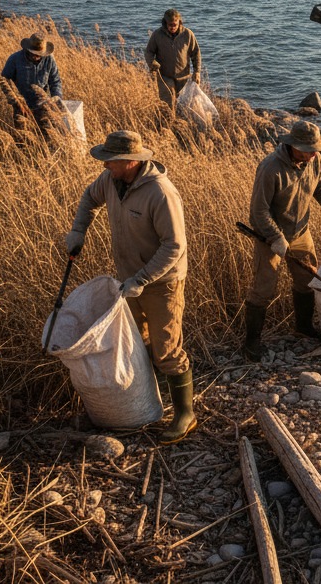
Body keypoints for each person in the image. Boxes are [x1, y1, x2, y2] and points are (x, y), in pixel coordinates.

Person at [64, 130, 197, 443]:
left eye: (110, 161)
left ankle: (185, 414)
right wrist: (78, 231)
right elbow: (89, 198)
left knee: (166, 349)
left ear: (129, 162)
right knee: (137, 341)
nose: (104, 165)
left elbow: (174, 246)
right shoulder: (110, 181)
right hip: (128, 279)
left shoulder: (160, 193)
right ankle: (147, 401)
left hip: (162, 282)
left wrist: (142, 279)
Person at [244, 120, 321, 361]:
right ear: (294, 145)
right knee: (263, 289)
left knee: (307, 280)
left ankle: (303, 327)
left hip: (301, 233)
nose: (314, 154)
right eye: (309, 149)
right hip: (269, 238)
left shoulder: (315, 161)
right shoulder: (271, 168)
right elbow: (258, 211)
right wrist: (275, 237)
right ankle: (251, 343)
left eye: (316, 149)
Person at [0, 33, 63, 132]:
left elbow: (55, 81)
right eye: (34, 53)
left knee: (45, 136)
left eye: (40, 54)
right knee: (22, 137)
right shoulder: (15, 59)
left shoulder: (49, 59)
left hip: (43, 105)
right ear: (28, 50)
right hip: (22, 105)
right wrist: (16, 102)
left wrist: (56, 97)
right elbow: (4, 80)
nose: (37, 56)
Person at [145, 9, 201, 110]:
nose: (173, 27)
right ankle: (167, 123)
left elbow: (196, 53)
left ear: (179, 22)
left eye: (175, 24)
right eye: (170, 25)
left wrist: (197, 72)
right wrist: (152, 62)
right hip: (165, 77)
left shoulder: (188, 34)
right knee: (167, 105)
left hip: (183, 77)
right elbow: (148, 52)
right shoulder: (157, 35)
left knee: (184, 106)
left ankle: (180, 124)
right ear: (165, 23)